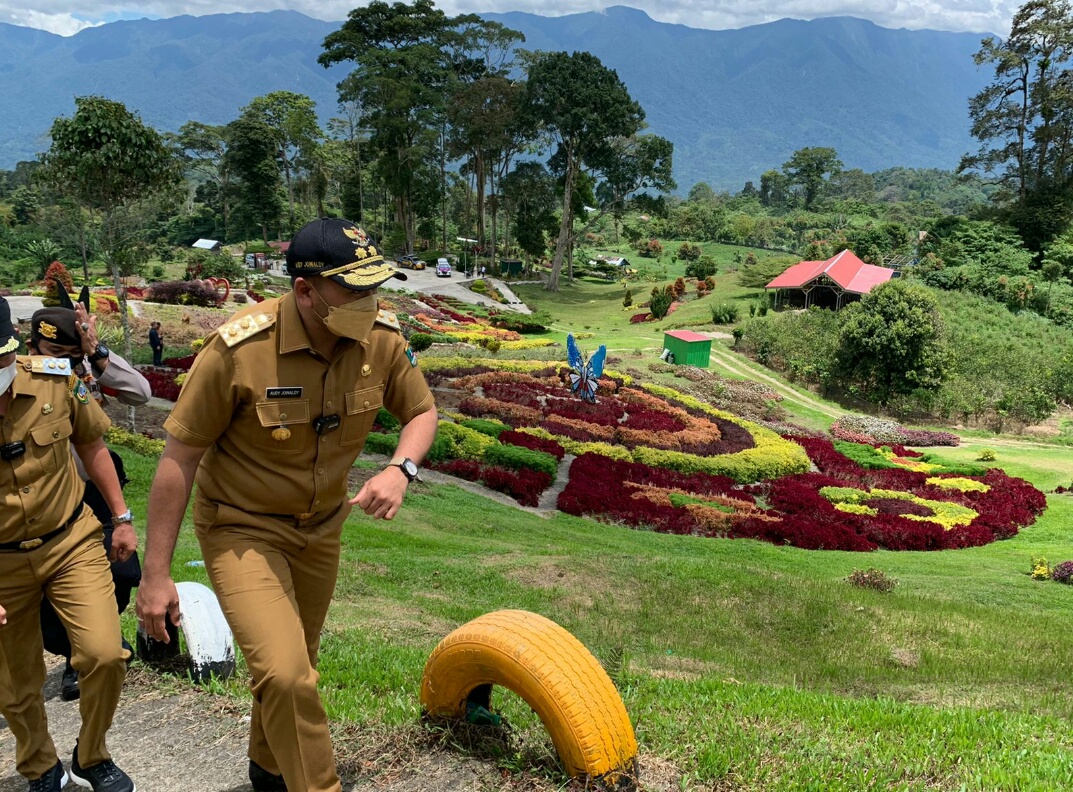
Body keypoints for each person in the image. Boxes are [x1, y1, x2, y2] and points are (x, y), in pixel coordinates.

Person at [136, 219, 439, 792]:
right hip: (241, 527)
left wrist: (400, 469)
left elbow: (421, 412)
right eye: (354, 291)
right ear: (305, 290)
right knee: (286, 673)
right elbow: (180, 458)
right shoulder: (239, 350)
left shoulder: (381, 338)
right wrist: (155, 575)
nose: (370, 303)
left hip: (322, 529)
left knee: (296, 661)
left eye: (375, 288)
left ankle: (269, 767)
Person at [0, 295, 139, 792]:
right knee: (15, 684)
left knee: (104, 655)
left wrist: (121, 518)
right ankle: (40, 765)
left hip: (70, 541)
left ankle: (91, 754)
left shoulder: (53, 379)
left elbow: (92, 445)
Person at [28, 304, 151, 702]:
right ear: (32, 346)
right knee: (45, 589)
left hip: (94, 490)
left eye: (71, 355)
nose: (62, 364)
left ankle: (96, 644)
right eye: (54, 354)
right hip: (43, 498)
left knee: (121, 571)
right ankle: (75, 653)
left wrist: (95, 354)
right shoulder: (20, 381)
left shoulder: (85, 371)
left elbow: (140, 393)